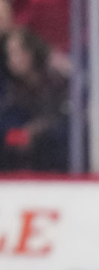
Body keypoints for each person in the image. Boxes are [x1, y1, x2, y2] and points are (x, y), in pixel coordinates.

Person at [0, 25, 67, 172]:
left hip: (49, 146)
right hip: (18, 140)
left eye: (15, 53)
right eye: (8, 54)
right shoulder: (11, 87)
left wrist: (34, 131)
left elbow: (60, 118)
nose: (10, 60)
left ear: (30, 53)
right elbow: (7, 128)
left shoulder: (55, 81)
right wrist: (22, 135)